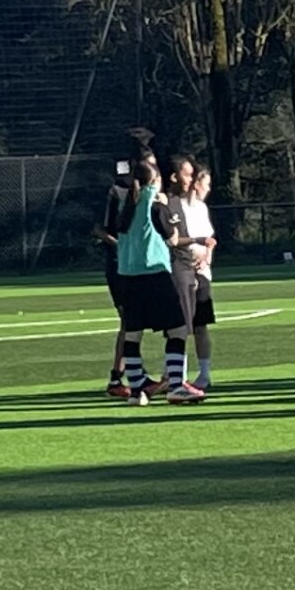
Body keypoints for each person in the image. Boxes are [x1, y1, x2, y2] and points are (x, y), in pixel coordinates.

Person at [114, 151, 203, 404]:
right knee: (177, 330)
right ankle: (176, 385)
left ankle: (136, 390)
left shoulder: (126, 206)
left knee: (133, 334)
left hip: (127, 277)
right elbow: (173, 239)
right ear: (155, 182)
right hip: (154, 274)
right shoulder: (155, 204)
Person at [99, 130, 155, 399]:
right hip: (120, 266)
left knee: (135, 322)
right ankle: (121, 378)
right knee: (129, 322)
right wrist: (122, 246)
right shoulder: (118, 192)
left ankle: (134, 375)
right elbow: (100, 229)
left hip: (134, 265)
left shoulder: (147, 195)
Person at [181, 163, 221, 389]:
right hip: (183, 271)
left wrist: (206, 257)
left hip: (202, 273)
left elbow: (210, 238)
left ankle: (205, 375)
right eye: (206, 184)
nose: (208, 189)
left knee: (200, 325)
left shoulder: (201, 209)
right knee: (180, 326)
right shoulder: (178, 206)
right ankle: (178, 375)